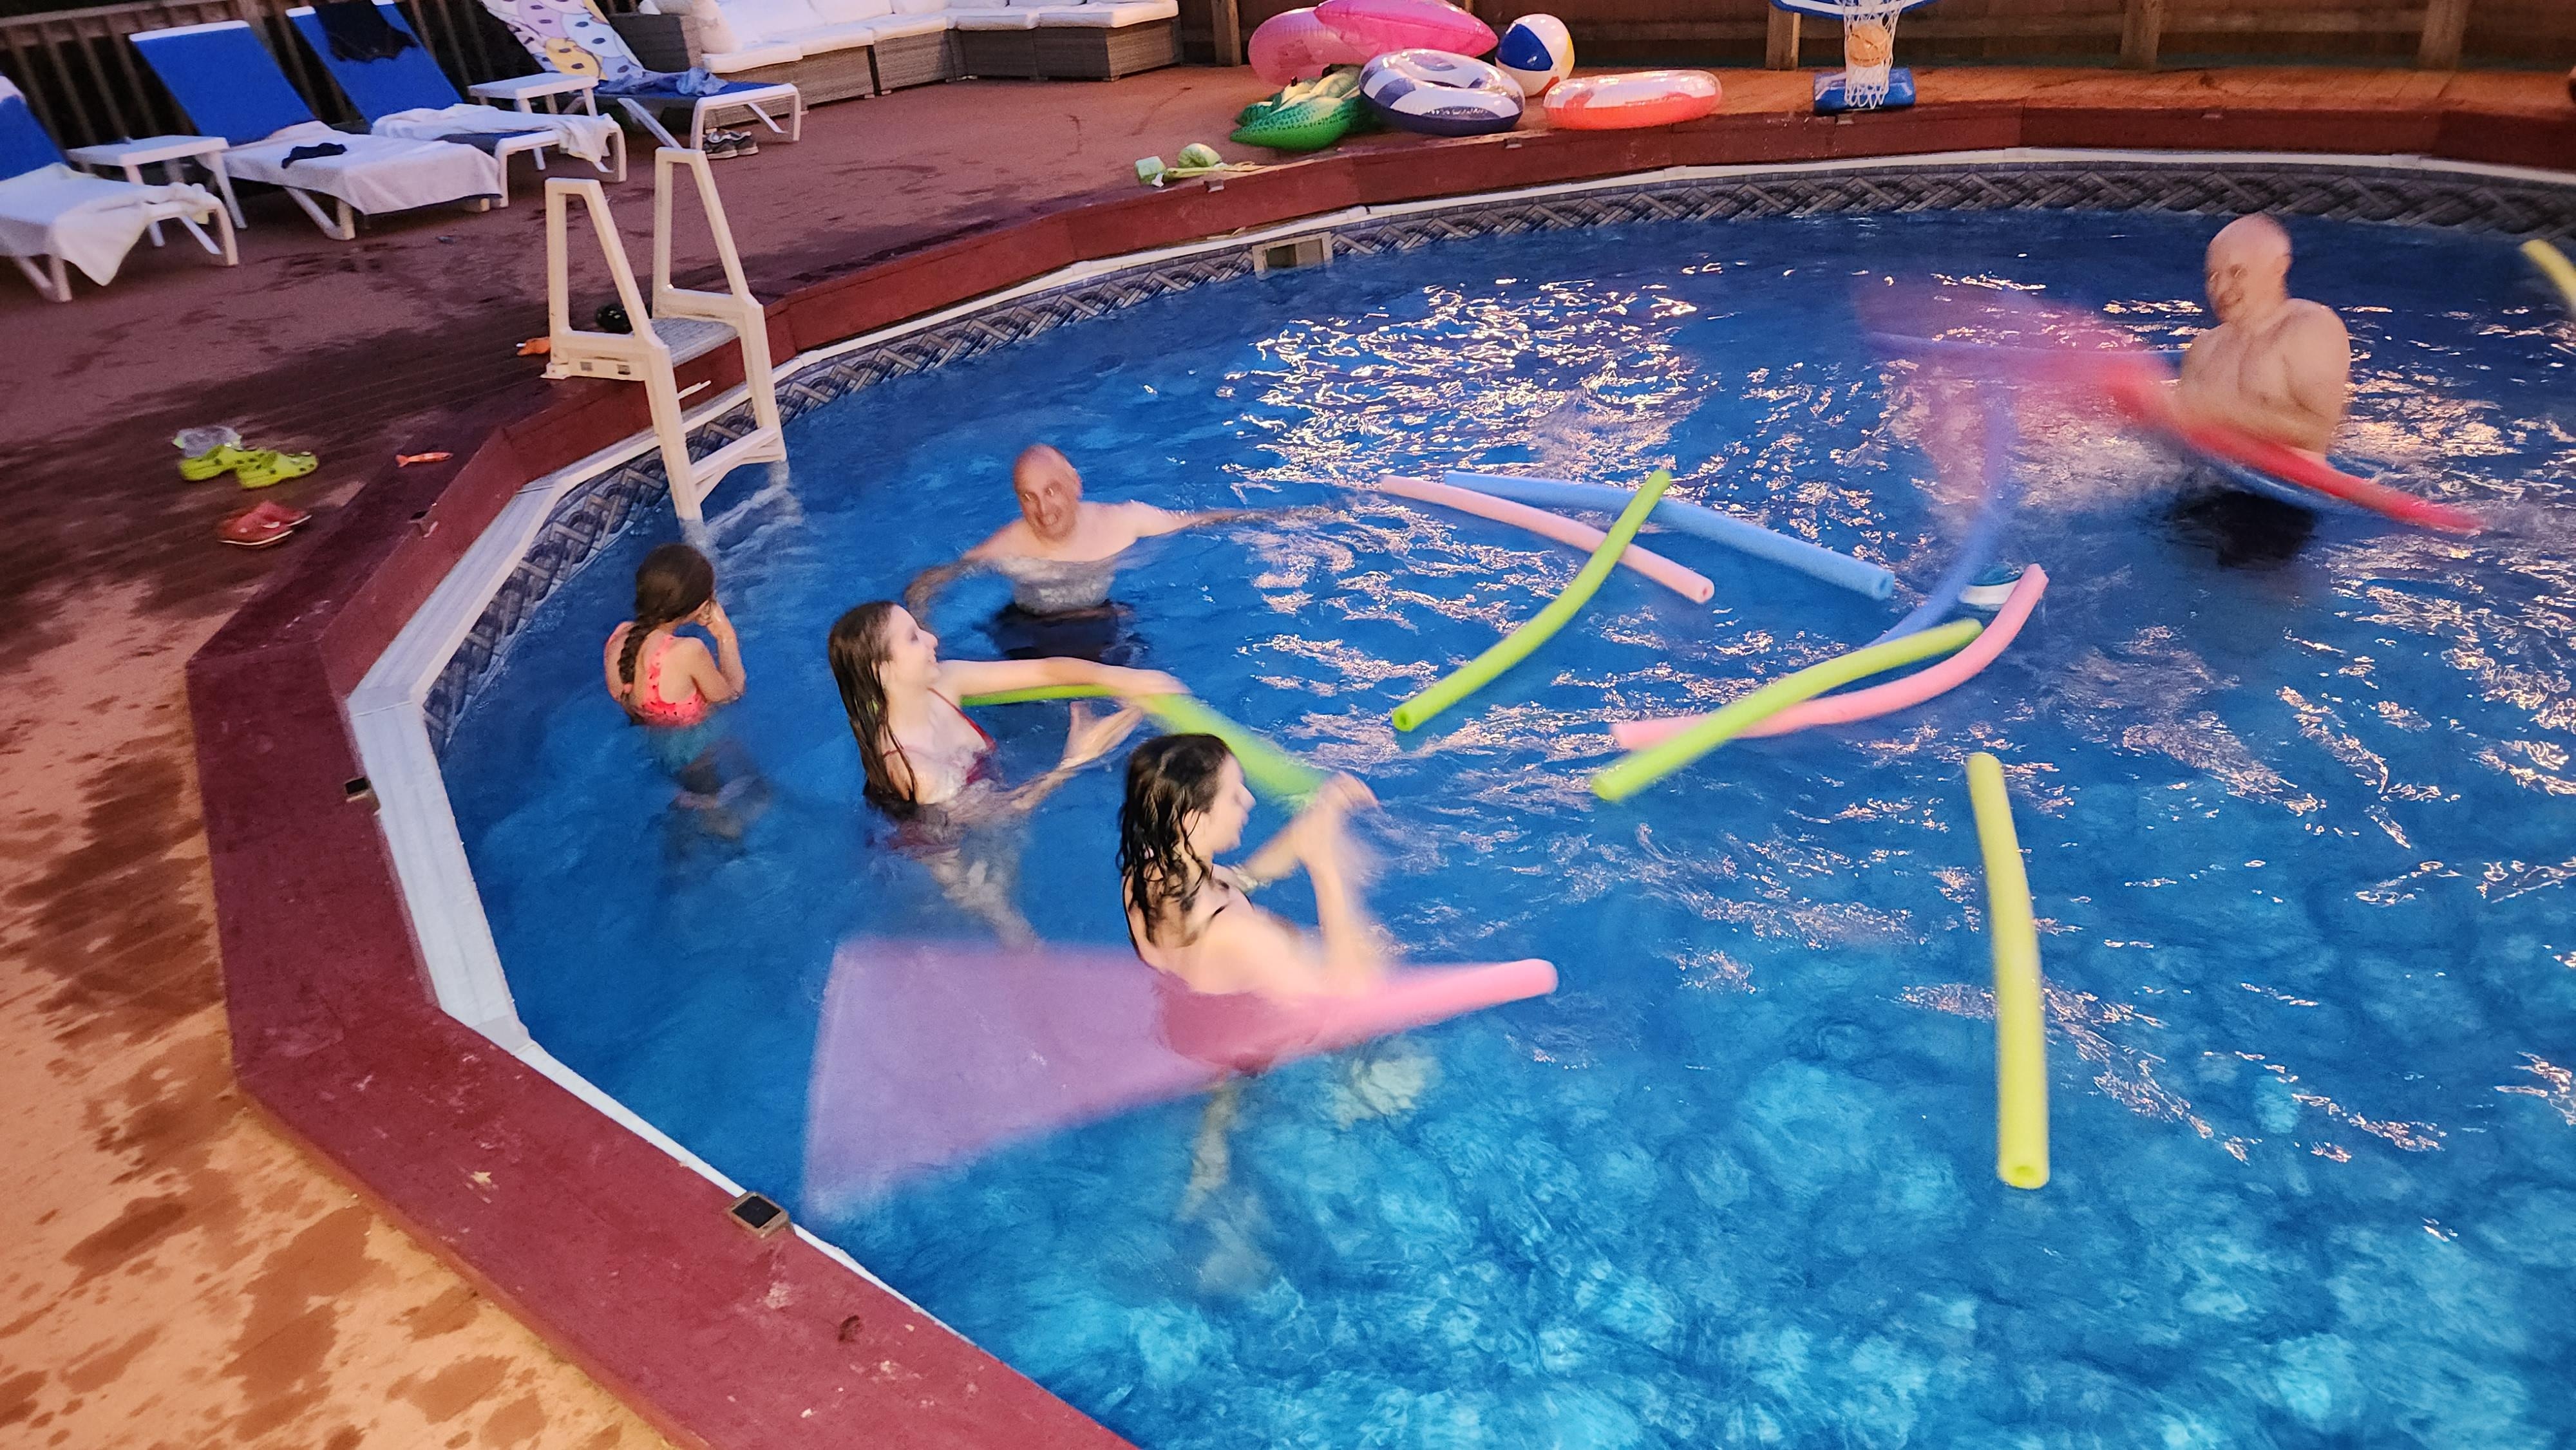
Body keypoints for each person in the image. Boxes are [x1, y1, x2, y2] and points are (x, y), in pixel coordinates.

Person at [826, 600, 1180, 942]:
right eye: (913, 638)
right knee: (1013, 928)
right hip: (943, 854)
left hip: (979, 804)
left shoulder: (945, 682)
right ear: (882, 670)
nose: (932, 638)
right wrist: (1074, 760)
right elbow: (1005, 812)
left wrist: (1123, 679)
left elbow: (1045, 672)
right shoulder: (912, 766)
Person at [902, 445, 1270, 660]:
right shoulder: (1008, 546)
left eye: (1051, 491)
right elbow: (930, 581)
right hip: (1029, 631)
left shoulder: (1122, 522)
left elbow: (1197, 521)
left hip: (1099, 619)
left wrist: (1280, 518)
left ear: (1074, 485)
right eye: (1029, 497)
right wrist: (925, 631)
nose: (1043, 510)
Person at [1117, 733, 1386, 1003]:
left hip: (1184, 1006)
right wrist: (1326, 870)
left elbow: (1244, 877)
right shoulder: (1239, 935)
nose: (1249, 799)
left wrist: (1314, 821)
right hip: (1282, 1013)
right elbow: (1348, 996)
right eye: (1234, 796)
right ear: (1195, 822)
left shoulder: (1143, 880)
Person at [603, 543, 762, 834]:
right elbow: (731, 695)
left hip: (658, 747)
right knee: (725, 817)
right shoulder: (688, 651)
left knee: (695, 799)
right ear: (698, 606)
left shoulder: (619, 639)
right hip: (697, 752)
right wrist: (725, 636)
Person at [2174, 214, 2352, 460]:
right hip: (2210, 477)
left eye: (2237, 272)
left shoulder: (2311, 329)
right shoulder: (2203, 348)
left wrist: (2218, 410)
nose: (2221, 289)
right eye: (2213, 277)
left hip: (2287, 483)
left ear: (2278, 267)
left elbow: (2321, 433)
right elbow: (2181, 444)